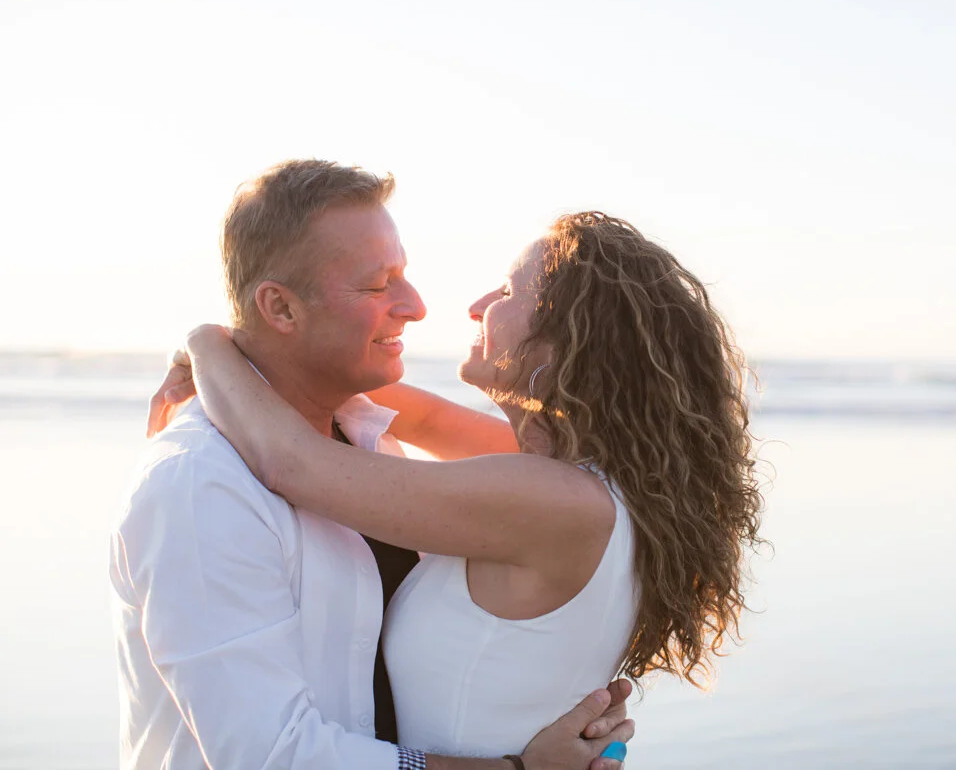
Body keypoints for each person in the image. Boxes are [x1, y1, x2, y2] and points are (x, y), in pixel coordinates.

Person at [159, 208, 766, 758]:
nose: (477, 304)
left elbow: (291, 464)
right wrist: (266, 354)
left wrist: (206, 344)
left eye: (507, 292)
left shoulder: (550, 501)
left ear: (567, 344)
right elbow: (417, 417)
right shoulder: (585, 482)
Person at [113, 159, 633, 770]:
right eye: (379, 284)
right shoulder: (201, 483)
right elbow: (270, 756)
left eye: (403, 276)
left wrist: (206, 344)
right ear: (281, 309)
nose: (416, 306)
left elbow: (301, 458)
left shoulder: (369, 445)